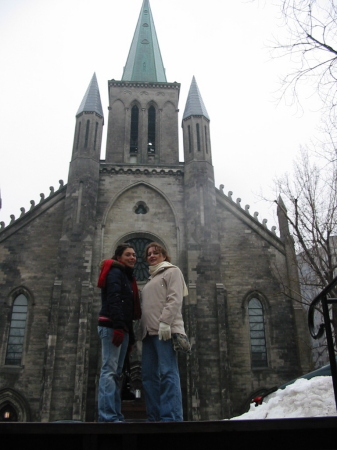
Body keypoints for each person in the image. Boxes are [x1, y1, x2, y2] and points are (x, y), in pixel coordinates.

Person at [140, 242, 188, 422]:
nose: (152, 255)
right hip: (147, 333)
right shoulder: (151, 278)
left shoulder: (172, 271)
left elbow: (174, 298)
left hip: (163, 332)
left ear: (164, 255)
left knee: (168, 373)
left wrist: (165, 323)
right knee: (148, 377)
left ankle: (171, 417)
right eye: (149, 253)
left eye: (156, 253)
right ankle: (154, 416)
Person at [97, 243, 141, 422]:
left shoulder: (125, 275)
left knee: (116, 373)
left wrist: (129, 335)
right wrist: (117, 327)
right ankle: (108, 416)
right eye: (128, 254)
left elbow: (127, 308)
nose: (133, 257)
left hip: (121, 327)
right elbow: (114, 299)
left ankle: (115, 414)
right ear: (119, 257)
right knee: (109, 371)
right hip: (111, 327)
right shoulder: (115, 273)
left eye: (134, 255)